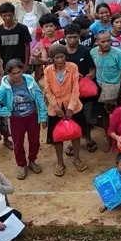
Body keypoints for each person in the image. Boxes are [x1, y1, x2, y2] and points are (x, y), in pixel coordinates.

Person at [0, 60, 47, 180]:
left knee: (35, 141)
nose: (17, 75)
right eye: (14, 73)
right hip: (16, 119)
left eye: (19, 72)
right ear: (8, 74)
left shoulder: (29, 81)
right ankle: (22, 165)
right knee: (18, 143)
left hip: (32, 116)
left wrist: (43, 116)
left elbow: (39, 97)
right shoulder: (4, 87)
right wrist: (7, 112)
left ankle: (32, 161)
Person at [42, 46, 87, 176]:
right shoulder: (48, 70)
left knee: (76, 133)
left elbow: (75, 89)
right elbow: (48, 90)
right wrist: (56, 108)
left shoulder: (73, 67)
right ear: (52, 59)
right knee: (57, 137)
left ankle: (76, 158)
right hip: (55, 107)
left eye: (62, 56)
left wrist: (70, 108)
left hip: (73, 105)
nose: (60, 60)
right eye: (57, 57)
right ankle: (60, 162)